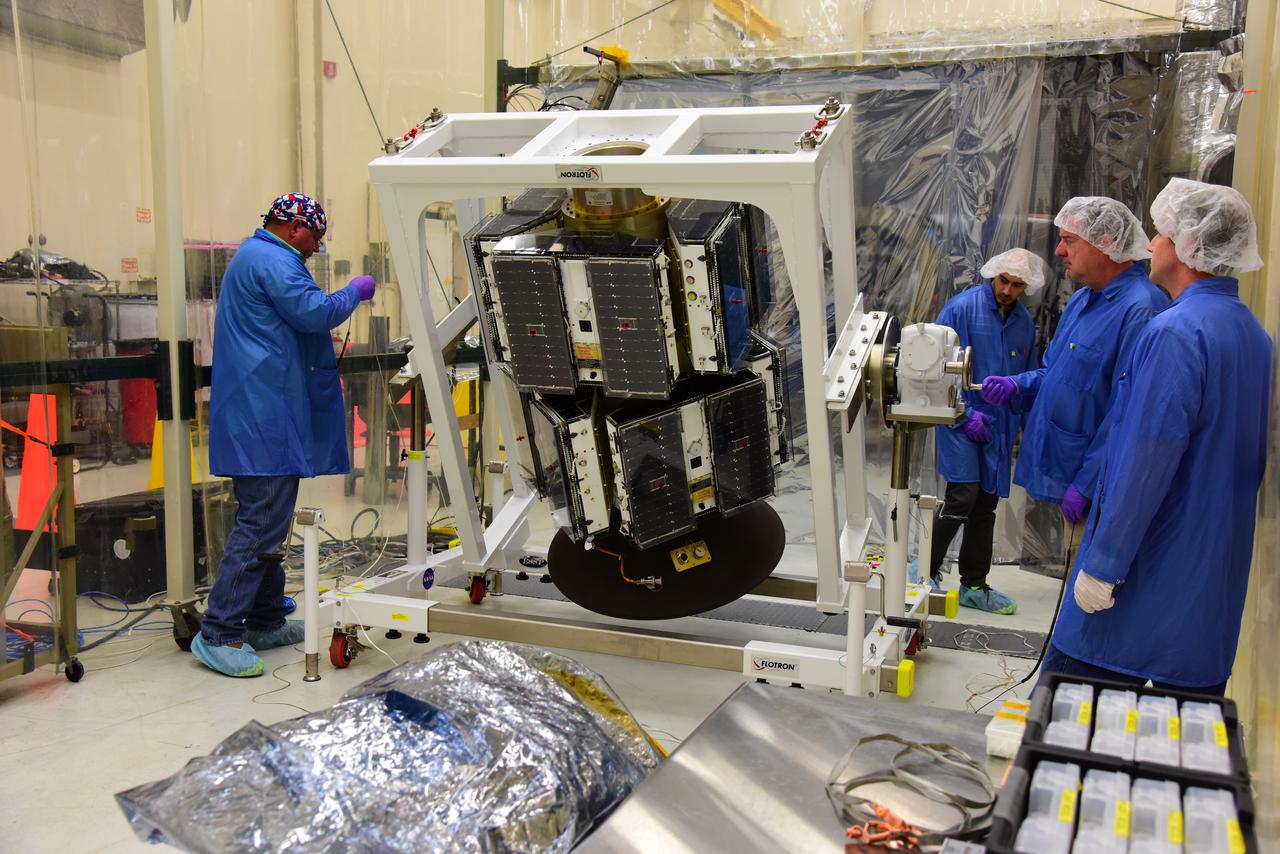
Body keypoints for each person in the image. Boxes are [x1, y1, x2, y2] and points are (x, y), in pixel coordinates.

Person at [1040, 179, 1270, 695]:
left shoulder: (1175, 334)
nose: (1150, 245)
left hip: (1147, 568)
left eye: (1162, 234)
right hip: (1210, 579)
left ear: (1188, 246)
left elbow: (1145, 461)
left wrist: (1103, 564)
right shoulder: (1252, 335)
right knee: (1174, 746)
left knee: (1061, 725)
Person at [194, 193, 376, 677]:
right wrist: (355, 292)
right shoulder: (274, 260)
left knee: (270, 523)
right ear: (294, 227)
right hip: (262, 416)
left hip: (263, 411)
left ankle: (266, 619)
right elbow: (314, 313)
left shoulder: (257, 257)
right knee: (260, 526)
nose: (317, 247)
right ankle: (220, 632)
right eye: (315, 237)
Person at [981, 197, 1169, 540]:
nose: (1058, 252)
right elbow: (1052, 373)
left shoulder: (1141, 310)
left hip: (1098, 488)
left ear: (1106, 243)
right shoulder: (1084, 300)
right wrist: (1017, 385)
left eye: (1069, 241)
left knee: (1088, 588)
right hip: (1064, 469)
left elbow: (1128, 413)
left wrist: (1087, 482)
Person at [929, 249, 1046, 614]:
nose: (1008, 290)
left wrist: (1023, 425)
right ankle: (923, 573)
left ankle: (974, 585)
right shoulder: (961, 309)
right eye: (1004, 281)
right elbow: (936, 370)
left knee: (986, 503)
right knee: (962, 495)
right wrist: (966, 416)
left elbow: (1027, 379)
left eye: (1017, 285)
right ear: (992, 276)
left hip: (999, 427)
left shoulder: (1024, 323)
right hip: (961, 420)